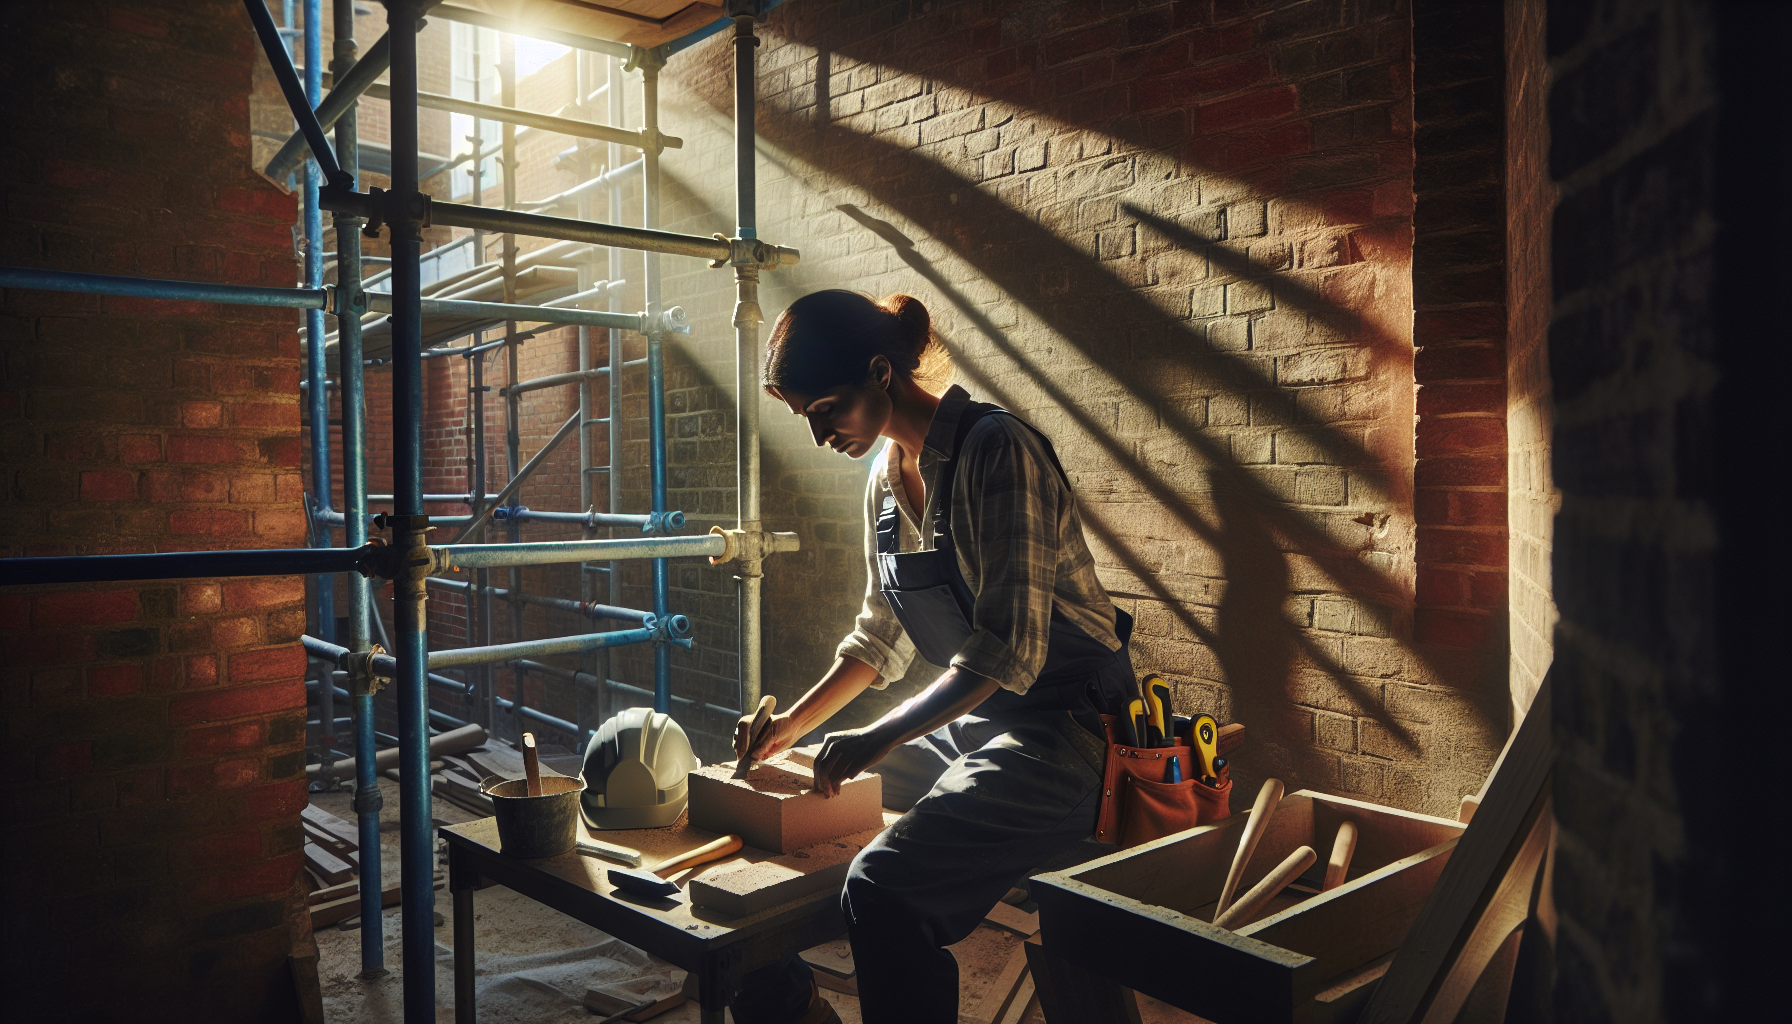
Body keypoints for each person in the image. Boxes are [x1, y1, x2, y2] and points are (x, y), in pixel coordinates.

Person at [727, 290, 1136, 1024]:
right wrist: (795, 725)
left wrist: (878, 737)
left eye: (826, 411)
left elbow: (1003, 651)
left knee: (882, 891)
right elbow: (880, 636)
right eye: (807, 420)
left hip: (1072, 732)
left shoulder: (997, 450)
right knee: (779, 822)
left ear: (881, 372)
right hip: (983, 722)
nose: (821, 436)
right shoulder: (885, 480)